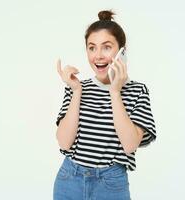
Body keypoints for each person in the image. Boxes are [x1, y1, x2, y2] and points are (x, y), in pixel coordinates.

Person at [53, 10, 157, 200]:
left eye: (106, 47)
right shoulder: (76, 87)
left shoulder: (137, 91)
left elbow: (130, 145)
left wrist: (115, 91)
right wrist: (76, 91)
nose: (98, 56)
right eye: (92, 48)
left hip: (110, 185)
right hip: (69, 180)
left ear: (121, 51)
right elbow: (63, 142)